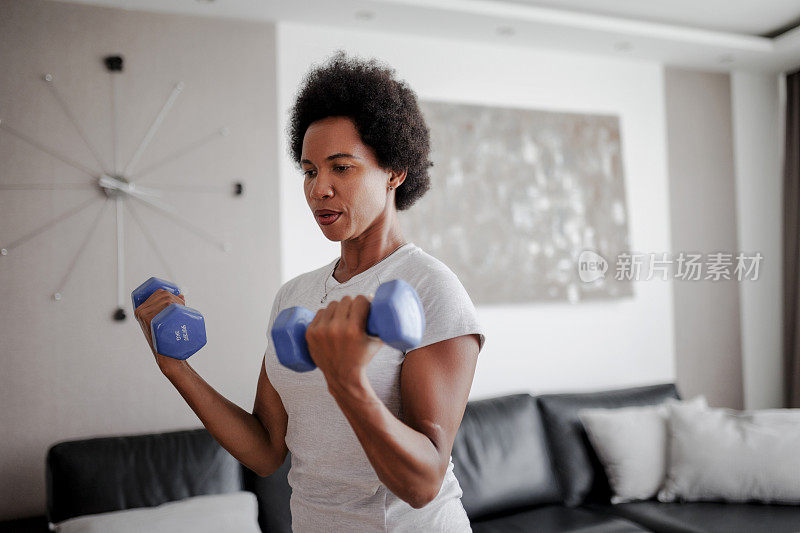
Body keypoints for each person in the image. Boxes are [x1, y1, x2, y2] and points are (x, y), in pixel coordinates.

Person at [134, 50, 485, 532]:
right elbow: (264, 451)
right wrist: (175, 368)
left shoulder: (431, 288)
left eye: (341, 168)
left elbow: (423, 482)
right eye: (309, 170)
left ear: (394, 172)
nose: (319, 188)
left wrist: (348, 383)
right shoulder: (294, 296)